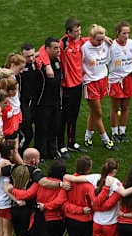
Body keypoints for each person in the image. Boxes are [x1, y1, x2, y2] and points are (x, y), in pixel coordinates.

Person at [8, 160, 67, 236]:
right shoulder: (62, 185)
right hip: (56, 220)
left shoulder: (41, 182)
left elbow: (26, 194)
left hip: (41, 219)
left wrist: (12, 190)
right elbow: (59, 201)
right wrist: (47, 206)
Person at [62, 156, 98, 236]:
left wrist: (76, 210)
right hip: (87, 222)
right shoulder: (89, 186)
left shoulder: (67, 181)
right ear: (88, 169)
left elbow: (64, 203)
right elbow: (95, 204)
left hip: (71, 221)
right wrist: (83, 210)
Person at [82, 24, 116, 150]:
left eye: (102, 39)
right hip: (90, 82)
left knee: (94, 111)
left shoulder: (106, 43)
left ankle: (88, 136)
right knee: (98, 113)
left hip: (102, 80)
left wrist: (105, 38)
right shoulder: (84, 48)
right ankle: (106, 140)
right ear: (90, 37)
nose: (101, 42)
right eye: (98, 40)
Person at [58, 18, 88, 154]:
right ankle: (60, 144)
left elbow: (93, 38)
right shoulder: (63, 44)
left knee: (74, 115)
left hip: (78, 84)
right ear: (68, 32)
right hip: (66, 86)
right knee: (63, 117)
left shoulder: (80, 41)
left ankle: (71, 141)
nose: (79, 33)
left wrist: (104, 38)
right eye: (76, 31)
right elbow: (44, 50)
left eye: (80, 30)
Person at [108, 21, 132, 143]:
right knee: (115, 108)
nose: (126, 36)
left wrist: (130, 66)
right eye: (124, 33)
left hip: (128, 78)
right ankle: (114, 133)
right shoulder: (111, 46)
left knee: (125, 107)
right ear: (117, 33)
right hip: (115, 79)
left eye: (128, 33)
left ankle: (122, 132)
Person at [34, 37, 63, 160]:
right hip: (43, 103)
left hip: (56, 101)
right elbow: (40, 50)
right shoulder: (40, 64)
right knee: (42, 128)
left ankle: (53, 151)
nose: (58, 50)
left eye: (58, 47)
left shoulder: (57, 61)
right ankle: (41, 153)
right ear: (47, 49)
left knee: (54, 126)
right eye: (55, 48)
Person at [19, 43, 40, 154]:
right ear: (21, 56)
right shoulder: (18, 68)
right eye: (28, 56)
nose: (31, 58)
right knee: (27, 134)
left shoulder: (35, 63)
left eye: (33, 55)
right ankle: (20, 153)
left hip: (35, 102)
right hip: (22, 104)